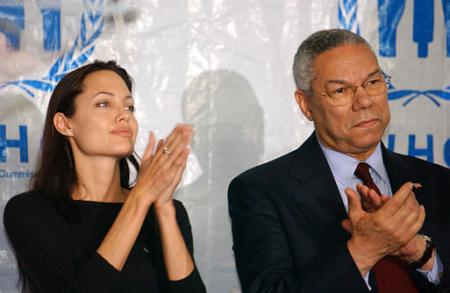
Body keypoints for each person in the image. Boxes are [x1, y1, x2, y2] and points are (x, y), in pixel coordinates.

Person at [228, 29, 450, 293]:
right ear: (306, 104)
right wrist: (363, 251)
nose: (365, 101)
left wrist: (423, 257)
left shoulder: (439, 182)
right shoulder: (260, 191)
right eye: (341, 90)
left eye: (373, 82)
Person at [3, 60, 206, 293]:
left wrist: (163, 207)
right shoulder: (30, 212)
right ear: (64, 124)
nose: (123, 116)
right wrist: (140, 198)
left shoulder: (166, 212)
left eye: (129, 107)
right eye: (104, 103)